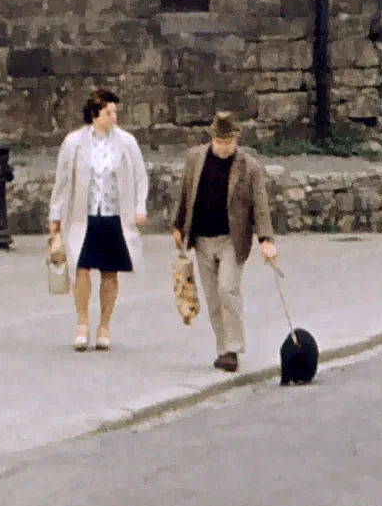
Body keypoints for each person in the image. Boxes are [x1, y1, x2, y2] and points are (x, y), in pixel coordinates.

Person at [171, 109, 277, 373]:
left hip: (232, 238)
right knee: (212, 296)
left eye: (228, 142)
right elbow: (186, 192)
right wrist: (178, 225)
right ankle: (223, 350)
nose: (224, 148)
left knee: (228, 289)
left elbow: (260, 205)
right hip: (202, 237)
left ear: (236, 139)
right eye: (219, 142)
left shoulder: (248, 166)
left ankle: (234, 348)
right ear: (212, 138)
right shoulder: (195, 158)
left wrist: (266, 239)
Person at [48, 88, 148, 352]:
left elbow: (140, 177)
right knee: (80, 267)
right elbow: (62, 181)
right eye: (108, 112)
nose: (114, 116)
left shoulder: (126, 143)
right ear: (94, 114)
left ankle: (105, 326)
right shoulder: (74, 142)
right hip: (83, 215)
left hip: (113, 214)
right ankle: (83, 323)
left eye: (115, 111)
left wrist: (140, 207)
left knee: (109, 271)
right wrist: (55, 215)